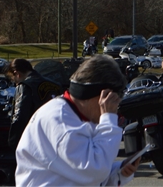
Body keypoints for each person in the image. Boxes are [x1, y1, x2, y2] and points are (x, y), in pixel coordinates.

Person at [15, 55, 140, 186]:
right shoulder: (61, 121)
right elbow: (94, 170)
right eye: (113, 100)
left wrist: (118, 172)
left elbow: (83, 174)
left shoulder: (76, 115)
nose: (114, 107)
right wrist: (108, 119)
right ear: (103, 96)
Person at [7, 59, 62, 151]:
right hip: (56, 137)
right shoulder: (56, 85)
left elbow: (20, 117)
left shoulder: (24, 86)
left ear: (17, 73)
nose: (15, 83)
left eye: (14, 79)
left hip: (35, 139)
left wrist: (13, 142)